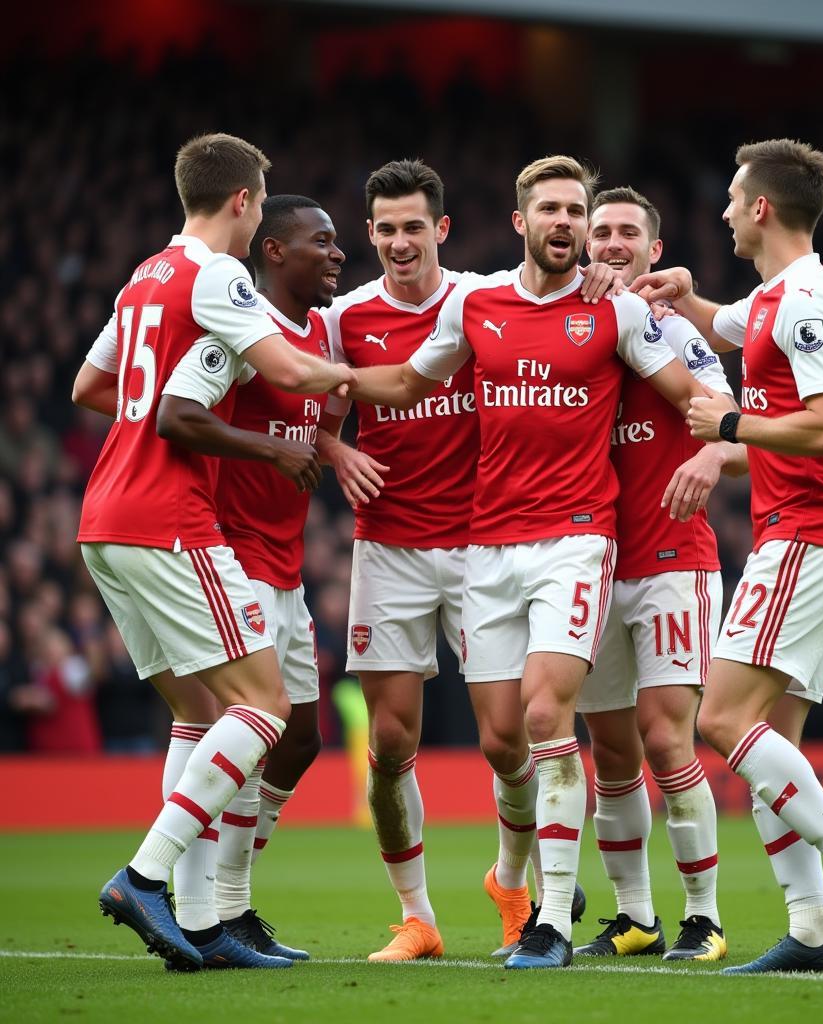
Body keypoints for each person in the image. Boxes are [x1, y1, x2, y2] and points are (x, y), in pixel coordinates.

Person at [347, 155, 707, 969]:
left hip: (577, 539)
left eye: (577, 212)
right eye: (551, 210)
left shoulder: (613, 311)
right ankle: (520, 885)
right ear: (521, 222)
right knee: (503, 737)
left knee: (549, 719)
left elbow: (688, 390)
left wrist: (723, 448)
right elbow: (408, 381)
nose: (566, 224)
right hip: (487, 546)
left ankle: (549, 918)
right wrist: (323, 386)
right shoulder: (477, 304)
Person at [71, 133, 356, 971]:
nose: (260, 213)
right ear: (242, 202)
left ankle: (200, 923)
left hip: (104, 516)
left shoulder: (143, 277)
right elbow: (292, 373)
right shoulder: (217, 276)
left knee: (200, 716)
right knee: (264, 708)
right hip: (167, 517)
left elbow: (93, 387)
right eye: (262, 203)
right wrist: (375, 381)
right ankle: (145, 875)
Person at [632, 138, 823, 974]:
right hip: (817, 532)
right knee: (764, 742)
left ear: (761, 208)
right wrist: (685, 300)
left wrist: (727, 427)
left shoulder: (808, 301)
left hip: (809, 531)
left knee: (718, 720)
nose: (719, 210)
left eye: (729, 196)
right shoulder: (779, 298)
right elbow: (731, 324)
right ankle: (811, 927)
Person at [317, 160, 585, 962]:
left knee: (509, 742)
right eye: (385, 229)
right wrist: (336, 450)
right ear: (369, 235)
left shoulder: (483, 300)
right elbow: (317, 409)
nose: (400, 242)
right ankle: (418, 918)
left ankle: (515, 888)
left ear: (441, 229)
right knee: (391, 741)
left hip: (484, 544)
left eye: (413, 227)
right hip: (389, 547)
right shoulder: (344, 318)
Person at [153, 194, 359, 960]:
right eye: (322, 241)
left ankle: (222, 894)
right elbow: (178, 413)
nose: (338, 253)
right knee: (241, 724)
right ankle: (207, 904)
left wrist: (334, 447)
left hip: (286, 566)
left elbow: (319, 431)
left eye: (340, 242)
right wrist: (268, 450)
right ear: (274, 250)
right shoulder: (238, 331)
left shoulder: (324, 340)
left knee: (300, 736)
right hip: (228, 557)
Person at [573, 187, 741, 962]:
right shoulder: (567, 330)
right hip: (590, 565)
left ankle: (704, 918)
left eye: (627, 232)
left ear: (652, 249)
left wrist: (710, 451)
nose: (610, 241)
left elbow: (735, 425)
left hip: (673, 558)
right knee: (609, 750)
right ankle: (636, 916)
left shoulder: (673, 329)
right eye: (599, 229)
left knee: (667, 738)